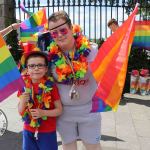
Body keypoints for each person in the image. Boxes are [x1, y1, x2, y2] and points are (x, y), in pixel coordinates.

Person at [48, 10, 101, 150]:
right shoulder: (49, 58)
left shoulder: (92, 51)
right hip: (63, 113)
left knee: (93, 147)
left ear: (71, 28)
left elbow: (107, 73)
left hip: (89, 111)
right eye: (54, 33)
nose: (59, 35)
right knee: (68, 146)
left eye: (63, 30)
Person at [17, 51, 62, 150]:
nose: (36, 68)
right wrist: (23, 101)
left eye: (40, 65)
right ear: (27, 69)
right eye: (32, 66)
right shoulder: (23, 87)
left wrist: (43, 112)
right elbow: (20, 111)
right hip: (28, 130)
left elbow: (59, 110)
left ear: (46, 69)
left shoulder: (51, 86)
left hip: (47, 131)